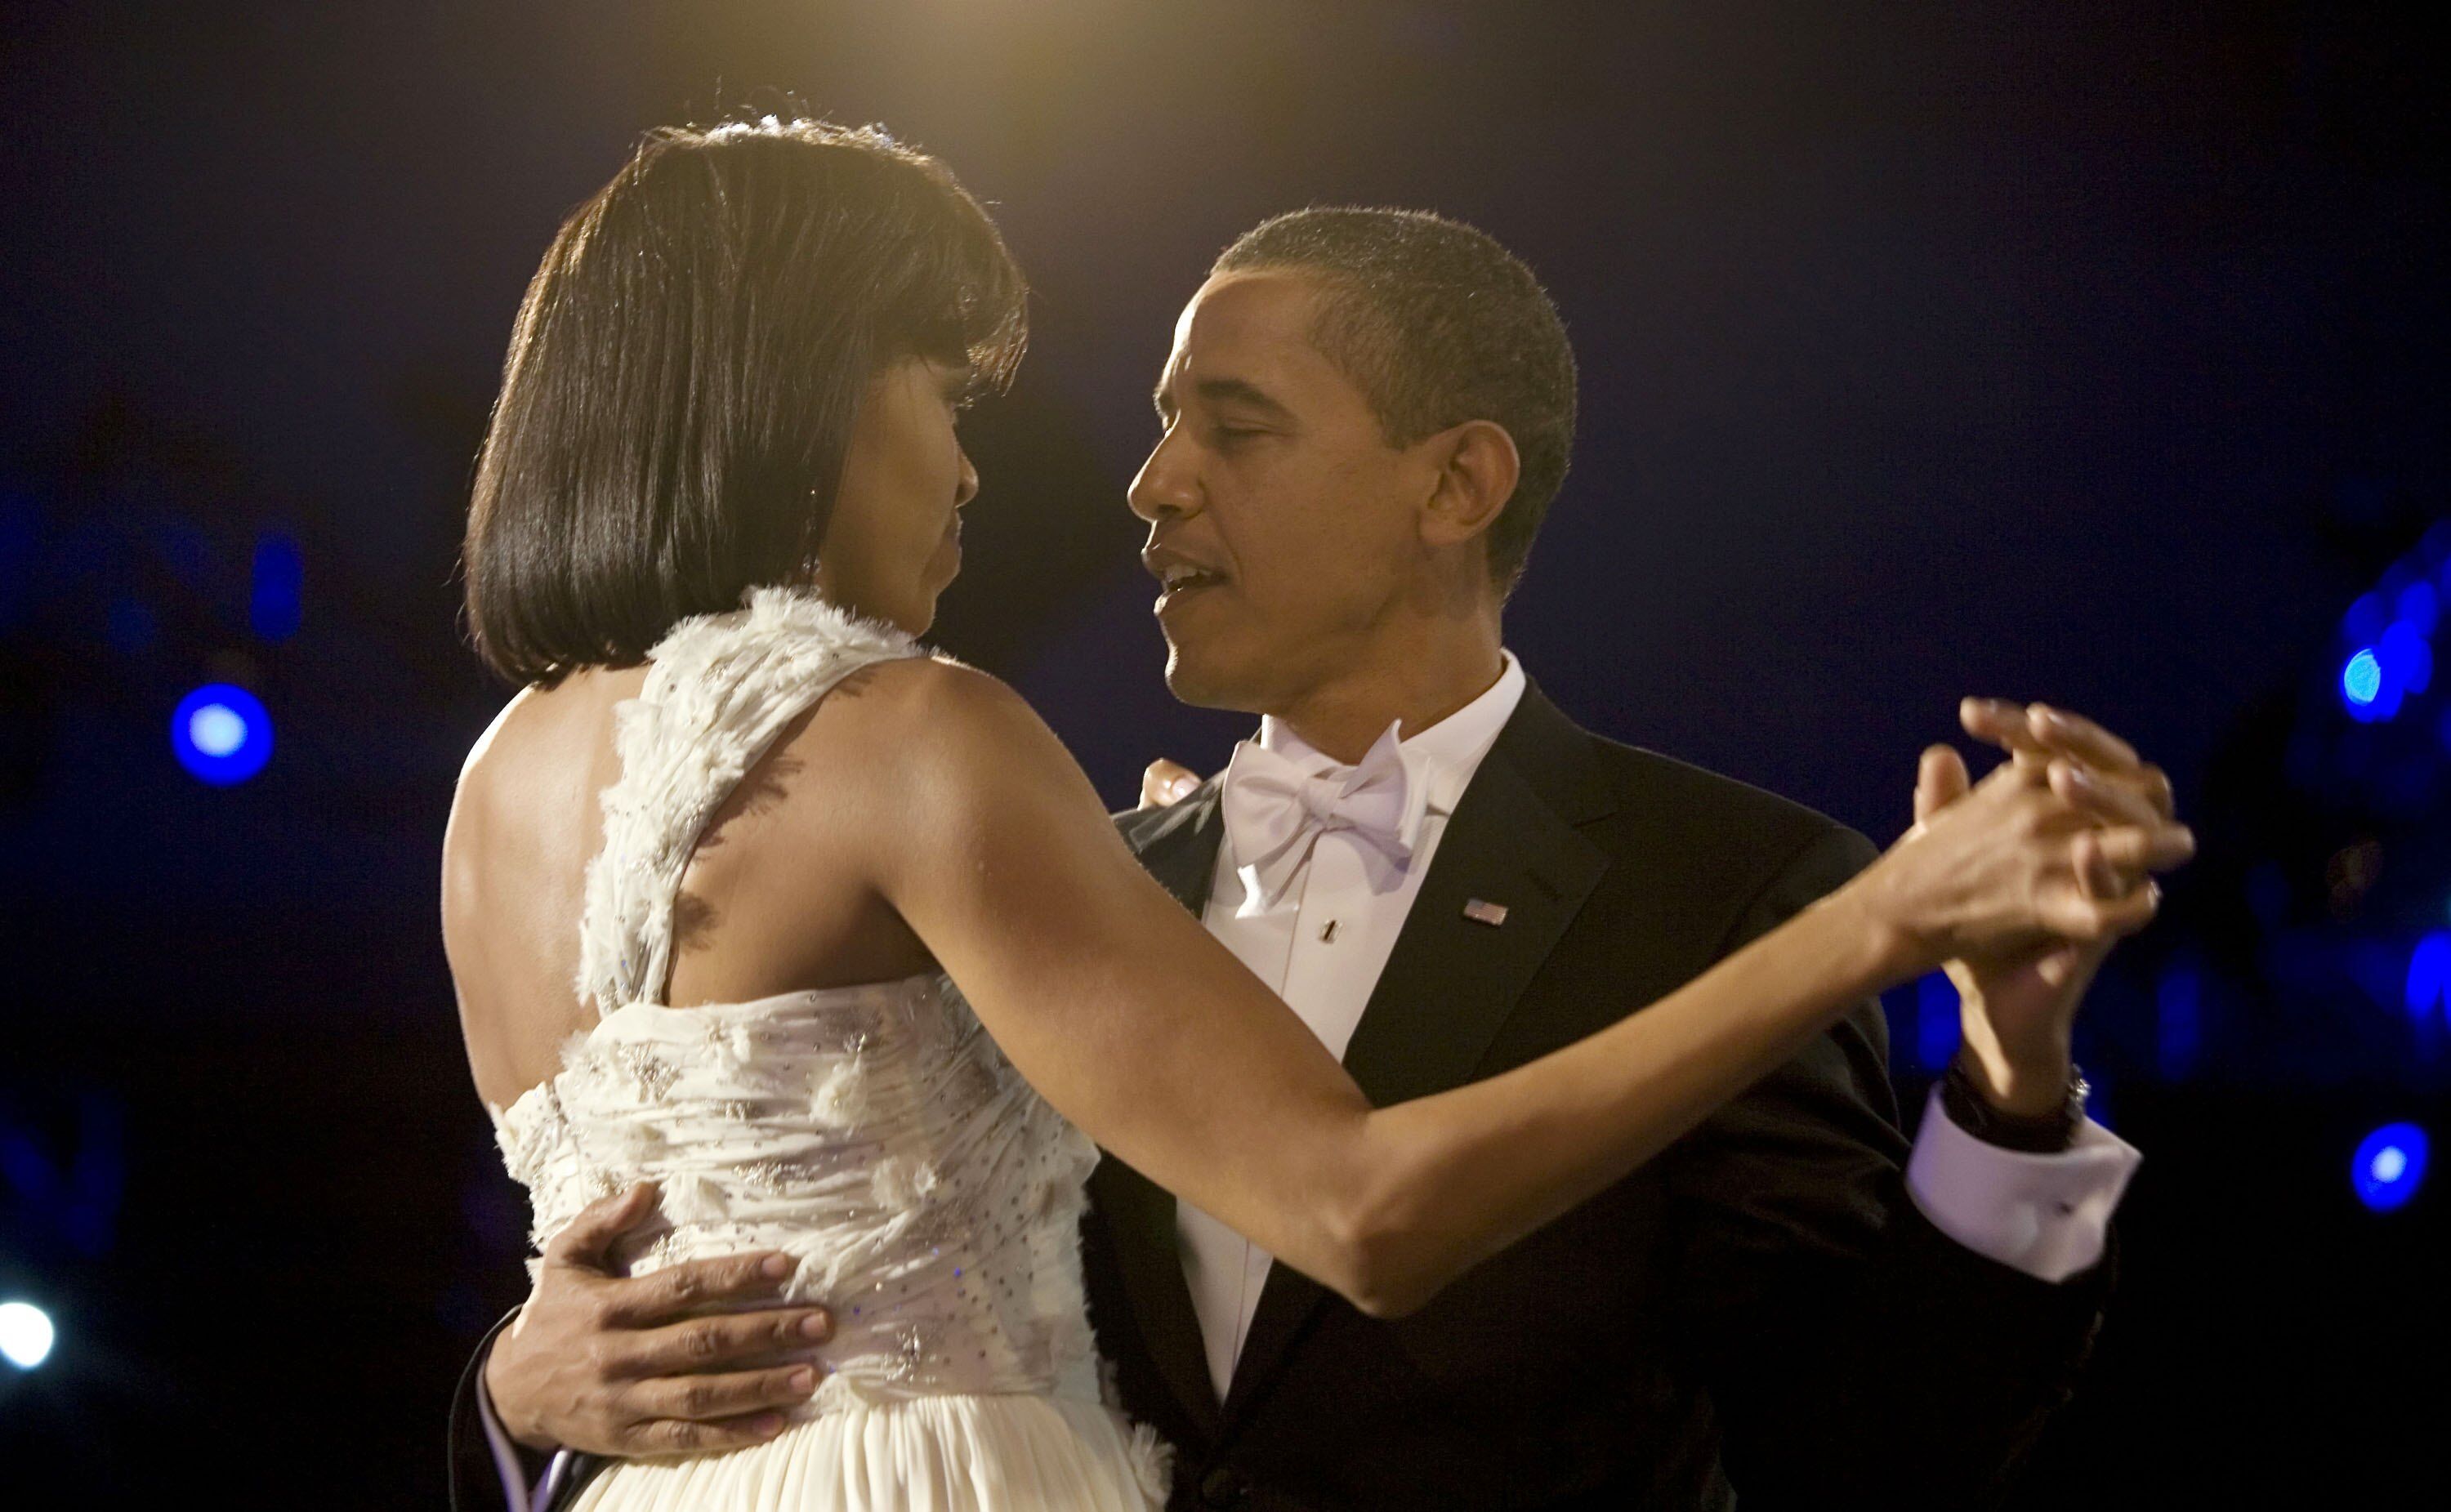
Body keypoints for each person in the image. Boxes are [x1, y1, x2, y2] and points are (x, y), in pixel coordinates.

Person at [445, 121, 2190, 1512]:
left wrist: (2011, 1096)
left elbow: (1870, 1457)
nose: (1143, 484)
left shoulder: (1720, 888)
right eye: (1152, 423)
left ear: (1457, 483)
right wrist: (517, 1391)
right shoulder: (1026, 836)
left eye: (1237, 422)